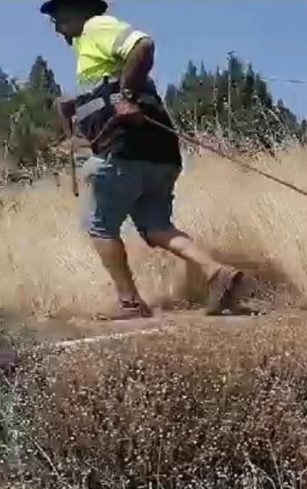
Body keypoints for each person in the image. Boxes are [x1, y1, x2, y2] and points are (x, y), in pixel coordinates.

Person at [42, 0, 249, 320]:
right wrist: (76, 104)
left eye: (59, 18)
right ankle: (216, 272)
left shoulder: (96, 27)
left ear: (80, 11)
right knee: (156, 227)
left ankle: (129, 302)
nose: (56, 27)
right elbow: (106, 86)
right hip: (160, 152)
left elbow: (143, 44)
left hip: (125, 148)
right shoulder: (89, 50)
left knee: (98, 226)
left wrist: (124, 98)